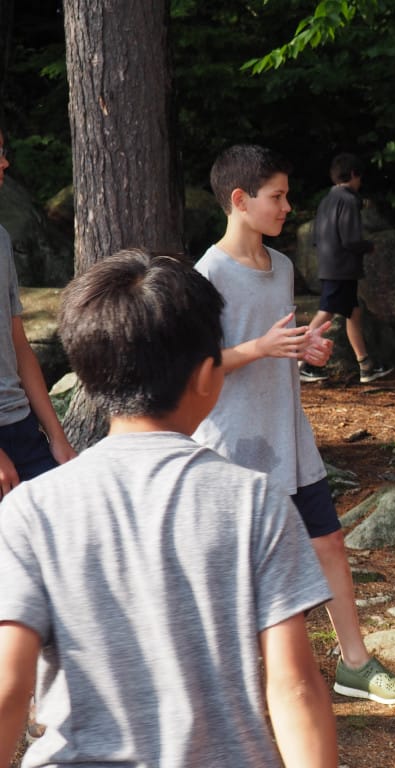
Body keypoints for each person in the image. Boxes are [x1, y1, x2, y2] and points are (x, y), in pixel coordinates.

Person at [0, 249, 337, 767]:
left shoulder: (31, 510)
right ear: (208, 376)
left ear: (87, 381)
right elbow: (294, 688)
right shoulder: (255, 502)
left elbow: (7, 691)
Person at [193, 144, 395, 704]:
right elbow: (196, 367)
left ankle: (355, 664)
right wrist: (261, 346)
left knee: (331, 544)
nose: (288, 206)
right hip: (232, 447)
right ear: (241, 201)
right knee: (234, 567)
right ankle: (228, 685)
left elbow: (277, 348)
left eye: (287, 195)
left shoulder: (283, 267)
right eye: (278, 196)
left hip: (289, 439)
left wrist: (303, 350)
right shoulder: (206, 274)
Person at [0, 126, 75, 497]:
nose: (5, 162)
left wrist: (57, 438)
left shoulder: (1, 239)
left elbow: (19, 343)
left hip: (24, 428)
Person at [300, 152, 392, 384]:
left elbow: (316, 236)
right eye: (359, 178)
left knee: (353, 311)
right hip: (342, 267)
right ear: (353, 174)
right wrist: (368, 246)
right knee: (327, 311)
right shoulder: (349, 200)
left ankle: (366, 365)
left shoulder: (326, 200)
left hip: (329, 263)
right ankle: (301, 361)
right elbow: (350, 239)